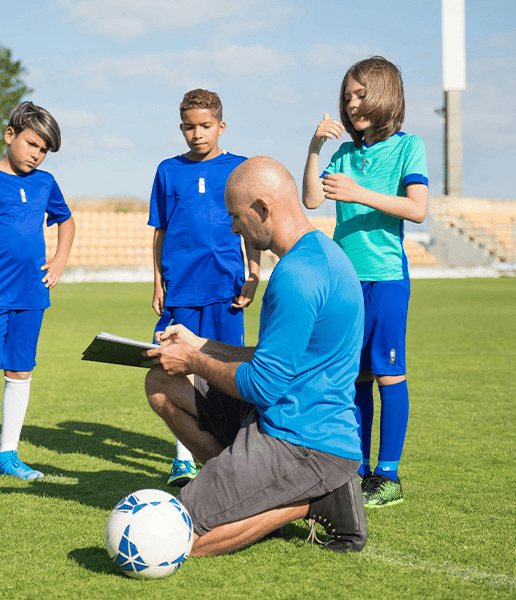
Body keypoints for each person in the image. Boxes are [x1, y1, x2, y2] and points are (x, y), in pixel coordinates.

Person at [144, 156, 367, 556]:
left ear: (263, 208)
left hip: (304, 441)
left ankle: (309, 501)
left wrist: (193, 363)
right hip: (289, 417)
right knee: (161, 381)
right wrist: (198, 343)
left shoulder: (298, 276)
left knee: (176, 540)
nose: (233, 228)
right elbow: (275, 358)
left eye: (236, 216)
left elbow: (261, 385)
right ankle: (246, 489)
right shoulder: (317, 253)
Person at [302, 56, 429, 507]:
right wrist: (315, 147)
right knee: (353, 377)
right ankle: (353, 469)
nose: (352, 104)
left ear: (385, 94)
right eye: (347, 96)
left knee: (388, 374)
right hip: (344, 282)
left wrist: (357, 193)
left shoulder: (408, 146)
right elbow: (312, 200)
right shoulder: (344, 153)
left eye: (360, 94)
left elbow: (417, 209)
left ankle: (388, 476)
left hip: (386, 279)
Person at [0, 101, 75, 489]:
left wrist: (58, 261)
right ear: (10, 136)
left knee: (20, 372)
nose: (37, 155)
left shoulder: (45, 183)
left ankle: (8, 455)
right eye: (32, 144)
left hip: (30, 296)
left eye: (44, 150)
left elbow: (66, 222)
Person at [148, 89, 260, 488]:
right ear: (181, 127)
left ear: (221, 126)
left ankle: (234, 449)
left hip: (225, 287)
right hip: (180, 287)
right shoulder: (167, 170)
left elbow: (251, 225)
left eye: (205, 126)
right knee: (174, 365)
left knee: (225, 370)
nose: (197, 134)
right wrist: (158, 280)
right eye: (189, 127)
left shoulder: (240, 168)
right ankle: (184, 458)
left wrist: (253, 272)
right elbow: (160, 231)